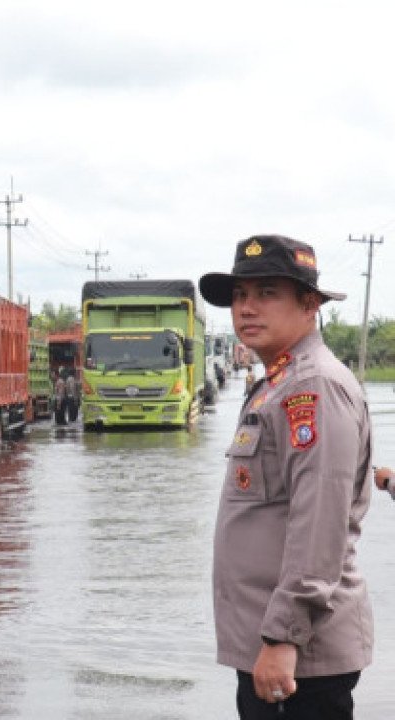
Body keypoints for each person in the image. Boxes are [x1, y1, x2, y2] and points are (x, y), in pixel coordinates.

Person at [200, 234, 372, 719]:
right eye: (238, 295)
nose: (247, 308)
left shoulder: (312, 386)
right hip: (271, 644)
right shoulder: (276, 382)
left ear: (309, 304)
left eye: (266, 293)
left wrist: (282, 637)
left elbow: (319, 522)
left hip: (299, 655)